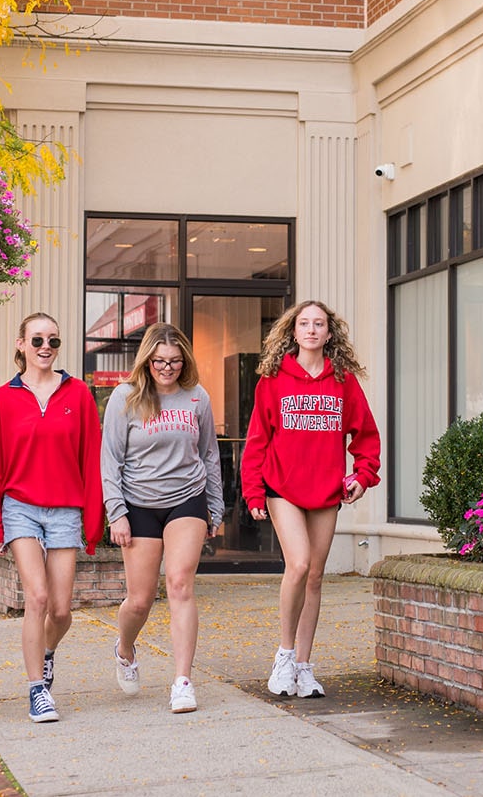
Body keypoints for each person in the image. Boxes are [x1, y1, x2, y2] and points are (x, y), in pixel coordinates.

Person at [241, 300, 380, 699]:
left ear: (329, 333)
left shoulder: (343, 381)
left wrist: (363, 475)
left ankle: (303, 666)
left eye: (319, 324)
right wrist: (253, 491)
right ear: (294, 331)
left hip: (325, 490)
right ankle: (283, 656)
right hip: (282, 487)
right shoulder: (272, 379)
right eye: (304, 323)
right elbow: (257, 442)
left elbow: (366, 436)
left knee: (316, 576)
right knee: (298, 564)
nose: (312, 330)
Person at [0, 312, 104, 724]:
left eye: (52, 340)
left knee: (62, 609)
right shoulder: (2, 398)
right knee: (35, 598)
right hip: (20, 507)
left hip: (66, 509)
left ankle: (47, 653)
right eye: (36, 340)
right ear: (21, 345)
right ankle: (38, 690)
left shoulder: (79, 394)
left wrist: (93, 524)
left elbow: (92, 460)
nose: (45, 347)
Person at [102, 323, 224, 714]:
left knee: (180, 584)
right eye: (159, 361)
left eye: (174, 361)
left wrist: (215, 507)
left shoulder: (197, 398)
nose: (167, 368)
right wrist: (116, 512)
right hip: (138, 504)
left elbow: (209, 454)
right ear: (147, 361)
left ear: (184, 360)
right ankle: (124, 649)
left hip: (187, 499)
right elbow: (111, 460)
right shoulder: (126, 397)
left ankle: (182, 681)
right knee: (139, 600)